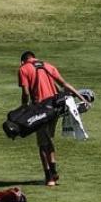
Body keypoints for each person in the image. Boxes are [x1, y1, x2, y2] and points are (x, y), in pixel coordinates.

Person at [18, 50, 82, 187]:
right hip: (54, 108)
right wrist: (82, 98)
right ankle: (53, 172)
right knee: (48, 139)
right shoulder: (48, 66)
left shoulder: (24, 69)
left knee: (42, 143)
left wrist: (24, 109)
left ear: (22, 61)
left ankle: (50, 176)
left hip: (39, 110)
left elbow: (25, 92)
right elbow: (65, 84)